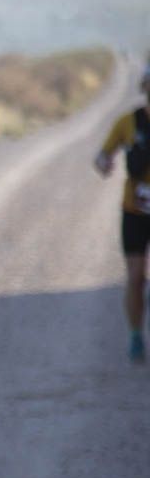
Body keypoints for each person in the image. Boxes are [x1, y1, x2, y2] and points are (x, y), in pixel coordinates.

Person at [94, 65, 150, 362]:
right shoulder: (128, 123)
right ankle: (135, 335)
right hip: (135, 210)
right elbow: (103, 156)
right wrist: (104, 163)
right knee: (136, 277)